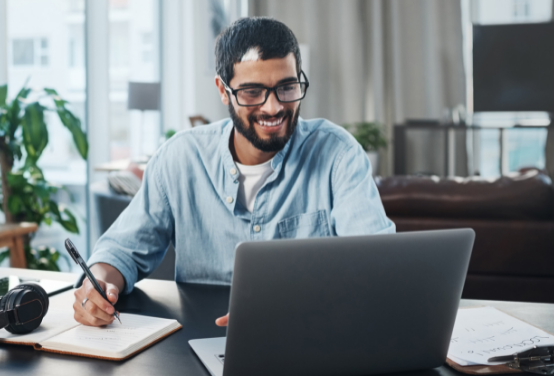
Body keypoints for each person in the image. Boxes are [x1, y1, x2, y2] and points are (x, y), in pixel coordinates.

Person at [73, 17, 395, 327]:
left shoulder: (338, 155)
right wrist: (98, 285)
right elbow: (119, 252)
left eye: (287, 87)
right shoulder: (179, 159)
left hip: (311, 343)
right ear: (223, 90)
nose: (273, 108)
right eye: (253, 92)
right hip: (199, 344)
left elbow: (378, 269)